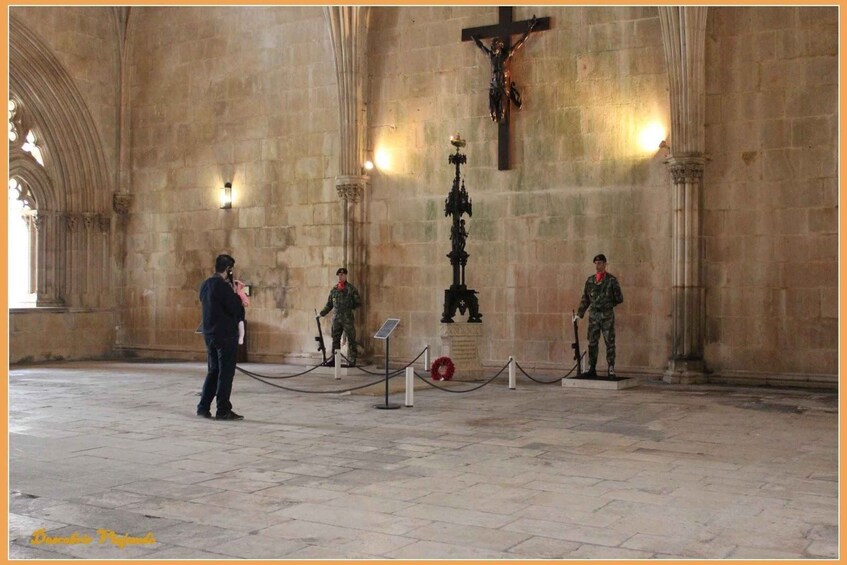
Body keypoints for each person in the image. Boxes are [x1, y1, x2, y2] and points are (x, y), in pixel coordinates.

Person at [197, 254, 245, 420]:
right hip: (225, 336)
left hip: (209, 334)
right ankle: (223, 409)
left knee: (213, 371)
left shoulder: (205, 285)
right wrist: (237, 293)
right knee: (225, 373)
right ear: (228, 270)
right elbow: (236, 309)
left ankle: (203, 407)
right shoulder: (223, 287)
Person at [472, 15, 537, 123]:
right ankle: (496, 115)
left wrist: (529, 28)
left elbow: (520, 42)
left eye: (495, 47)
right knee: (492, 113)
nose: (493, 49)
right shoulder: (491, 56)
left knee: (502, 113)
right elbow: (482, 47)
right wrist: (475, 40)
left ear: (500, 46)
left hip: (503, 87)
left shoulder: (506, 55)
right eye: (492, 47)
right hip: (493, 87)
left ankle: (502, 117)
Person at [574, 254, 624, 378]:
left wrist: (607, 305)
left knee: (609, 342)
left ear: (605, 264)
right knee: (592, 342)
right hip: (594, 316)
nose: (598, 265)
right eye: (596, 263)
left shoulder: (611, 280)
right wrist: (579, 314)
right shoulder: (590, 281)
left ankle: (611, 368)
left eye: (600, 263)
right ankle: (592, 368)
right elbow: (585, 299)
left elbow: (619, 298)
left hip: (607, 316)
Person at [319, 267, 362, 367]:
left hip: (347, 319)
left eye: (342, 275)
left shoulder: (351, 289)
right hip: (336, 319)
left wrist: (348, 307)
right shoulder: (334, 290)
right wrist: (321, 313)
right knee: (335, 339)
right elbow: (329, 304)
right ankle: (335, 360)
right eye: (339, 275)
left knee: (351, 339)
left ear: (346, 276)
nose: (340, 277)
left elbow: (358, 302)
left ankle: (352, 360)